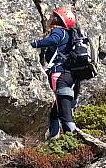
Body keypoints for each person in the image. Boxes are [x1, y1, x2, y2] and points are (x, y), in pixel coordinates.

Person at [31, 8, 81, 138]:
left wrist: (33, 44)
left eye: (50, 17)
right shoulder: (71, 35)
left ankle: (71, 141)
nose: (47, 20)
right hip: (72, 77)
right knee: (58, 110)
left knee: (63, 112)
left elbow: (52, 40)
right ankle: (57, 141)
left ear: (56, 19)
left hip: (59, 75)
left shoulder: (59, 31)